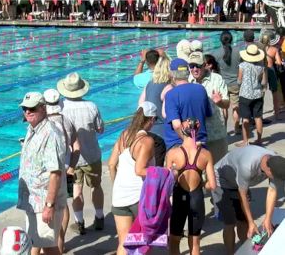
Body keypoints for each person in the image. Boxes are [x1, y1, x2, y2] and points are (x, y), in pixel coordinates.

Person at [17, 92, 67, 255]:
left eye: (32, 108)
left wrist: (49, 206)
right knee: (37, 242)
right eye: (25, 108)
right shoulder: (32, 129)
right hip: (33, 200)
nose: (28, 112)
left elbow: (55, 173)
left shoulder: (50, 133)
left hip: (43, 202)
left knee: (48, 246)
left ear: (43, 108)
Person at [211, 146, 285, 255]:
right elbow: (243, 196)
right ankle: (230, 253)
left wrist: (268, 219)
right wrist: (251, 222)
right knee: (230, 222)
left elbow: (272, 191)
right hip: (222, 179)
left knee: (243, 220)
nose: (276, 180)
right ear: (268, 170)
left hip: (239, 181)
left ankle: (244, 251)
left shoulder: (277, 164)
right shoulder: (248, 166)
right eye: (275, 177)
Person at [57, 72, 105, 235]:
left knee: (77, 188)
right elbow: (101, 129)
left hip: (72, 159)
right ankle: (99, 218)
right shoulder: (92, 106)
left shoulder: (62, 108)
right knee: (96, 186)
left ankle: (79, 223)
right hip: (92, 155)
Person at [108, 101, 157, 255]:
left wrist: (117, 184)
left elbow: (111, 164)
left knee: (124, 242)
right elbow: (140, 170)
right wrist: (162, 172)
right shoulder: (146, 141)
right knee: (142, 242)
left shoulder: (124, 135)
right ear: (151, 120)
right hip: (139, 197)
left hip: (119, 196)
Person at [166, 118, 216, 255]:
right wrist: (201, 183)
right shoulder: (206, 155)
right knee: (195, 243)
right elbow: (212, 185)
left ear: (182, 130)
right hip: (197, 198)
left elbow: (167, 183)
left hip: (179, 198)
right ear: (198, 129)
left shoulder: (173, 153)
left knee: (174, 240)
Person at [43, 88, 81, 253]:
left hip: (48, 174)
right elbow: (77, 147)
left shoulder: (43, 123)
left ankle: (48, 245)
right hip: (65, 170)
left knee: (47, 207)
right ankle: (60, 242)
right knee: (63, 206)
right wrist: (71, 166)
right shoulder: (67, 121)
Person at [188, 50, 229, 163]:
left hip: (216, 134)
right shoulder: (188, 81)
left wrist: (219, 102)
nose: (195, 69)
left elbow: (227, 103)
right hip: (196, 136)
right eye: (192, 66)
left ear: (205, 65)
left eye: (198, 66)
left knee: (220, 169)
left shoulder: (216, 79)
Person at [163, 58, 212, 150]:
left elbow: (177, 125)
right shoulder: (201, 89)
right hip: (200, 141)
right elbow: (206, 115)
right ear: (188, 72)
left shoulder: (171, 94)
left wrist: (189, 143)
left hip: (179, 144)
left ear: (172, 74)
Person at [236, 44, 266, 146]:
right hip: (257, 94)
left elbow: (239, 81)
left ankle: (245, 141)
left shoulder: (242, 65)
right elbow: (263, 82)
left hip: (245, 94)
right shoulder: (261, 66)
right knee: (258, 117)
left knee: (245, 118)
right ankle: (259, 140)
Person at [212, 31, 242, 134]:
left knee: (224, 108)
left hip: (222, 84)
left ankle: (224, 130)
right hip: (235, 84)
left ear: (221, 40)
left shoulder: (216, 53)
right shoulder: (238, 51)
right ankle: (237, 128)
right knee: (236, 107)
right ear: (231, 39)